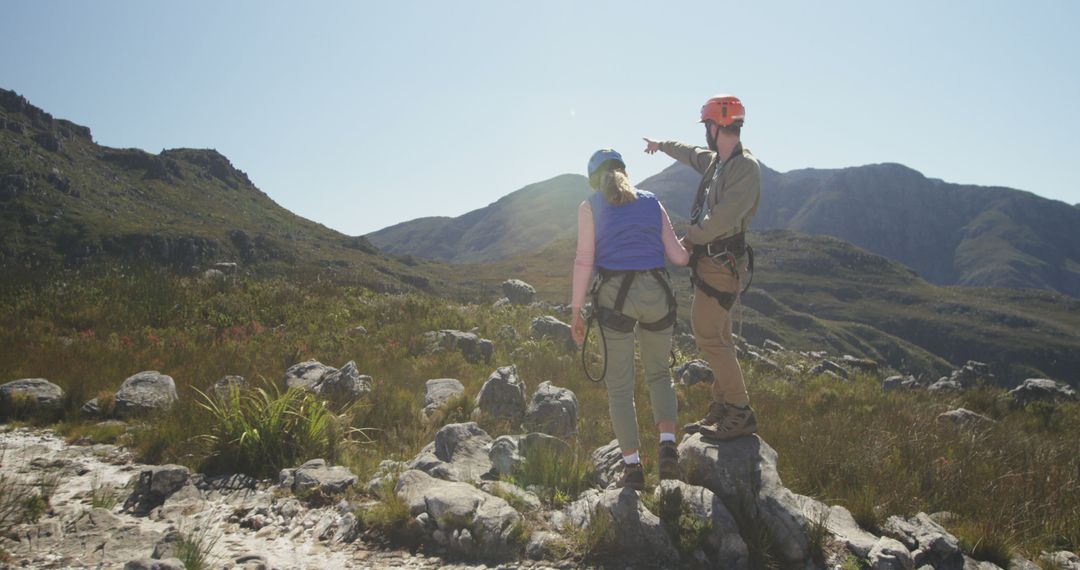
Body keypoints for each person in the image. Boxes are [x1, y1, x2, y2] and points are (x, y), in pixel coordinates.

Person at [643, 94, 761, 441]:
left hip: (720, 263)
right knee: (719, 336)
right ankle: (723, 406)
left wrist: (689, 240)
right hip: (714, 262)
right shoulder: (718, 162)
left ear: (717, 125)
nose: (705, 133)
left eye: (707, 125)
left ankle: (739, 410)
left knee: (708, 334)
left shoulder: (744, 169)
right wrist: (661, 145)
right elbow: (689, 152)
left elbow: (721, 218)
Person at [570, 148, 689, 490]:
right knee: (659, 374)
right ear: (624, 170)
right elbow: (679, 257)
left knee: (620, 388)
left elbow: (584, 261)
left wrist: (576, 311)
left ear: (594, 179)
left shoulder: (590, 206)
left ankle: (633, 469)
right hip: (658, 294)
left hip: (615, 298)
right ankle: (668, 448)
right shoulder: (652, 201)